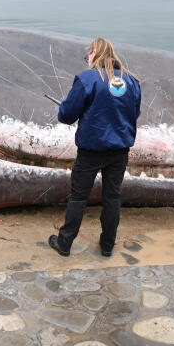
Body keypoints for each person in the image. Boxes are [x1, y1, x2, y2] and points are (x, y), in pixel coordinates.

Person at [49, 38, 141, 258]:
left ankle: (65, 243)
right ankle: (107, 245)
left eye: (88, 55)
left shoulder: (87, 79)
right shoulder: (132, 81)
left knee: (79, 197)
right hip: (119, 151)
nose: (87, 59)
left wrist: (64, 109)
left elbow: (67, 115)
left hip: (91, 150)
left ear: (94, 53)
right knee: (112, 197)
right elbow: (133, 114)